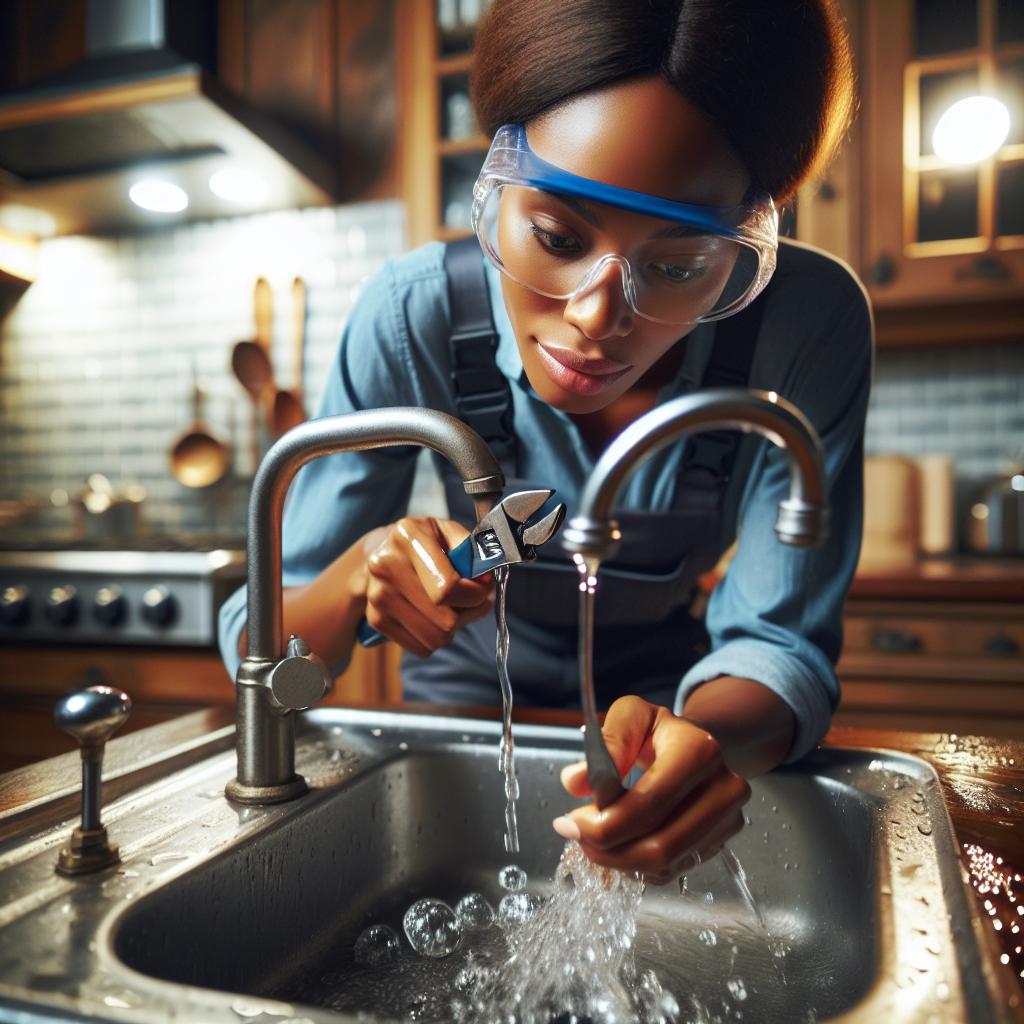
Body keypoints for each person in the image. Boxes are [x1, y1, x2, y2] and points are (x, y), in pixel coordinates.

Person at [219, 0, 872, 885]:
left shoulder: (803, 326)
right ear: (497, 181)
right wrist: (351, 584)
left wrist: (705, 741)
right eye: (557, 238)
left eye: (678, 267)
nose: (596, 320)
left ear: (750, 240)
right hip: (462, 706)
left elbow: (778, 644)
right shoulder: (414, 315)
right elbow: (269, 655)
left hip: (667, 700)